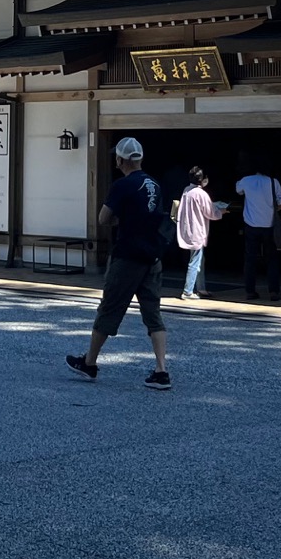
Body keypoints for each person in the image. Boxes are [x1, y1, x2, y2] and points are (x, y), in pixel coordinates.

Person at [66, 137, 172, 390]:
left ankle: (90, 362)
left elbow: (104, 218)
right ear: (141, 158)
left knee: (110, 308)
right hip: (152, 257)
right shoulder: (155, 185)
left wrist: (120, 220)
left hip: (127, 256)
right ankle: (161, 370)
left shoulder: (122, 185)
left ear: (120, 160)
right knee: (153, 314)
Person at [236, 162, 281, 301]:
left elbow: (238, 190)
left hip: (251, 224)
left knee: (250, 259)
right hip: (269, 225)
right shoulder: (273, 181)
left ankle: (250, 291)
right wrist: (271, 210)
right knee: (271, 259)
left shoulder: (246, 180)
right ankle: (273, 291)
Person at [174, 166, 225, 299]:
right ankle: (188, 291)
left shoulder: (187, 190)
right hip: (198, 230)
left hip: (188, 229)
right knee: (195, 261)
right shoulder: (201, 194)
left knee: (199, 260)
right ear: (203, 179)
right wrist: (221, 212)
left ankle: (201, 288)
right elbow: (210, 213)